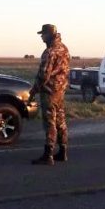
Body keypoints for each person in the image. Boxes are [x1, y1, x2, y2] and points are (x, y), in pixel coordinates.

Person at [28, 24, 71, 166]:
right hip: (60, 91)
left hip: (50, 91)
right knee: (60, 120)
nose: (41, 36)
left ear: (49, 34)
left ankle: (48, 155)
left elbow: (43, 75)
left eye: (43, 34)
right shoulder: (64, 49)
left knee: (50, 122)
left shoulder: (50, 52)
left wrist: (34, 91)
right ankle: (63, 151)